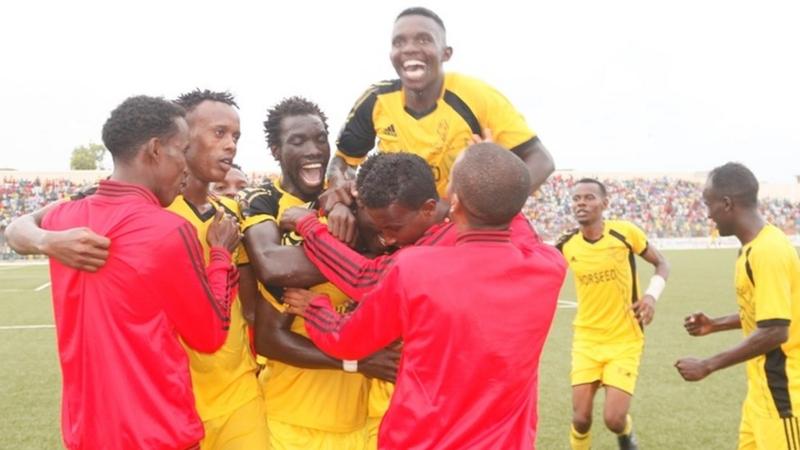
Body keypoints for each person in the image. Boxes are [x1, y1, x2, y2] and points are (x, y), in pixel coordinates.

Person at [6, 90, 270, 449]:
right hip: (155, 429)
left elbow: (19, 228)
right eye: (182, 149)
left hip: (87, 431)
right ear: (156, 150)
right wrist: (221, 256)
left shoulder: (62, 218)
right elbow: (209, 335)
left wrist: (44, 241)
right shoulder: (165, 228)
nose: (184, 161)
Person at [282, 143, 566, 449]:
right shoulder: (549, 266)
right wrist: (489, 166)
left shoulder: (414, 268)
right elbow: (507, 208)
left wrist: (316, 308)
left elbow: (349, 332)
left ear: (453, 203)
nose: (387, 237)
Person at [238, 96, 396, 450]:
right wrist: (356, 361)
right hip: (292, 418)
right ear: (276, 150)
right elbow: (273, 269)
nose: (313, 150)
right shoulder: (263, 201)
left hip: (359, 420)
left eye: (320, 139)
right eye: (298, 141)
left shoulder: (351, 200)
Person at [325, 7, 554, 241]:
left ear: (446, 53)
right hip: (400, 230)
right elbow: (342, 162)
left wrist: (486, 206)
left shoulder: (478, 97)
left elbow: (541, 160)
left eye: (424, 39)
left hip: (459, 229)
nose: (410, 48)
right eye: (399, 42)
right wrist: (339, 196)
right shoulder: (375, 100)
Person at [676, 162, 800, 450]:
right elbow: (768, 314)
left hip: (784, 396)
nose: (708, 214)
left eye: (709, 204)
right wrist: (715, 324)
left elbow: (776, 331)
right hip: (760, 394)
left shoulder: (769, 251)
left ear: (727, 204)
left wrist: (708, 364)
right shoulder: (752, 248)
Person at [556, 178, 670, 450]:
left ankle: (626, 433)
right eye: (576, 198)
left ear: (604, 203)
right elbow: (539, 277)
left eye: (589, 197)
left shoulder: (624, 233)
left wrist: (651, 296)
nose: (581, 203)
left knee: (614, 419)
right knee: (581, 419)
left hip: (624, 339)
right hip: (586, 339)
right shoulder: (567, 245)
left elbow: (662, 263)